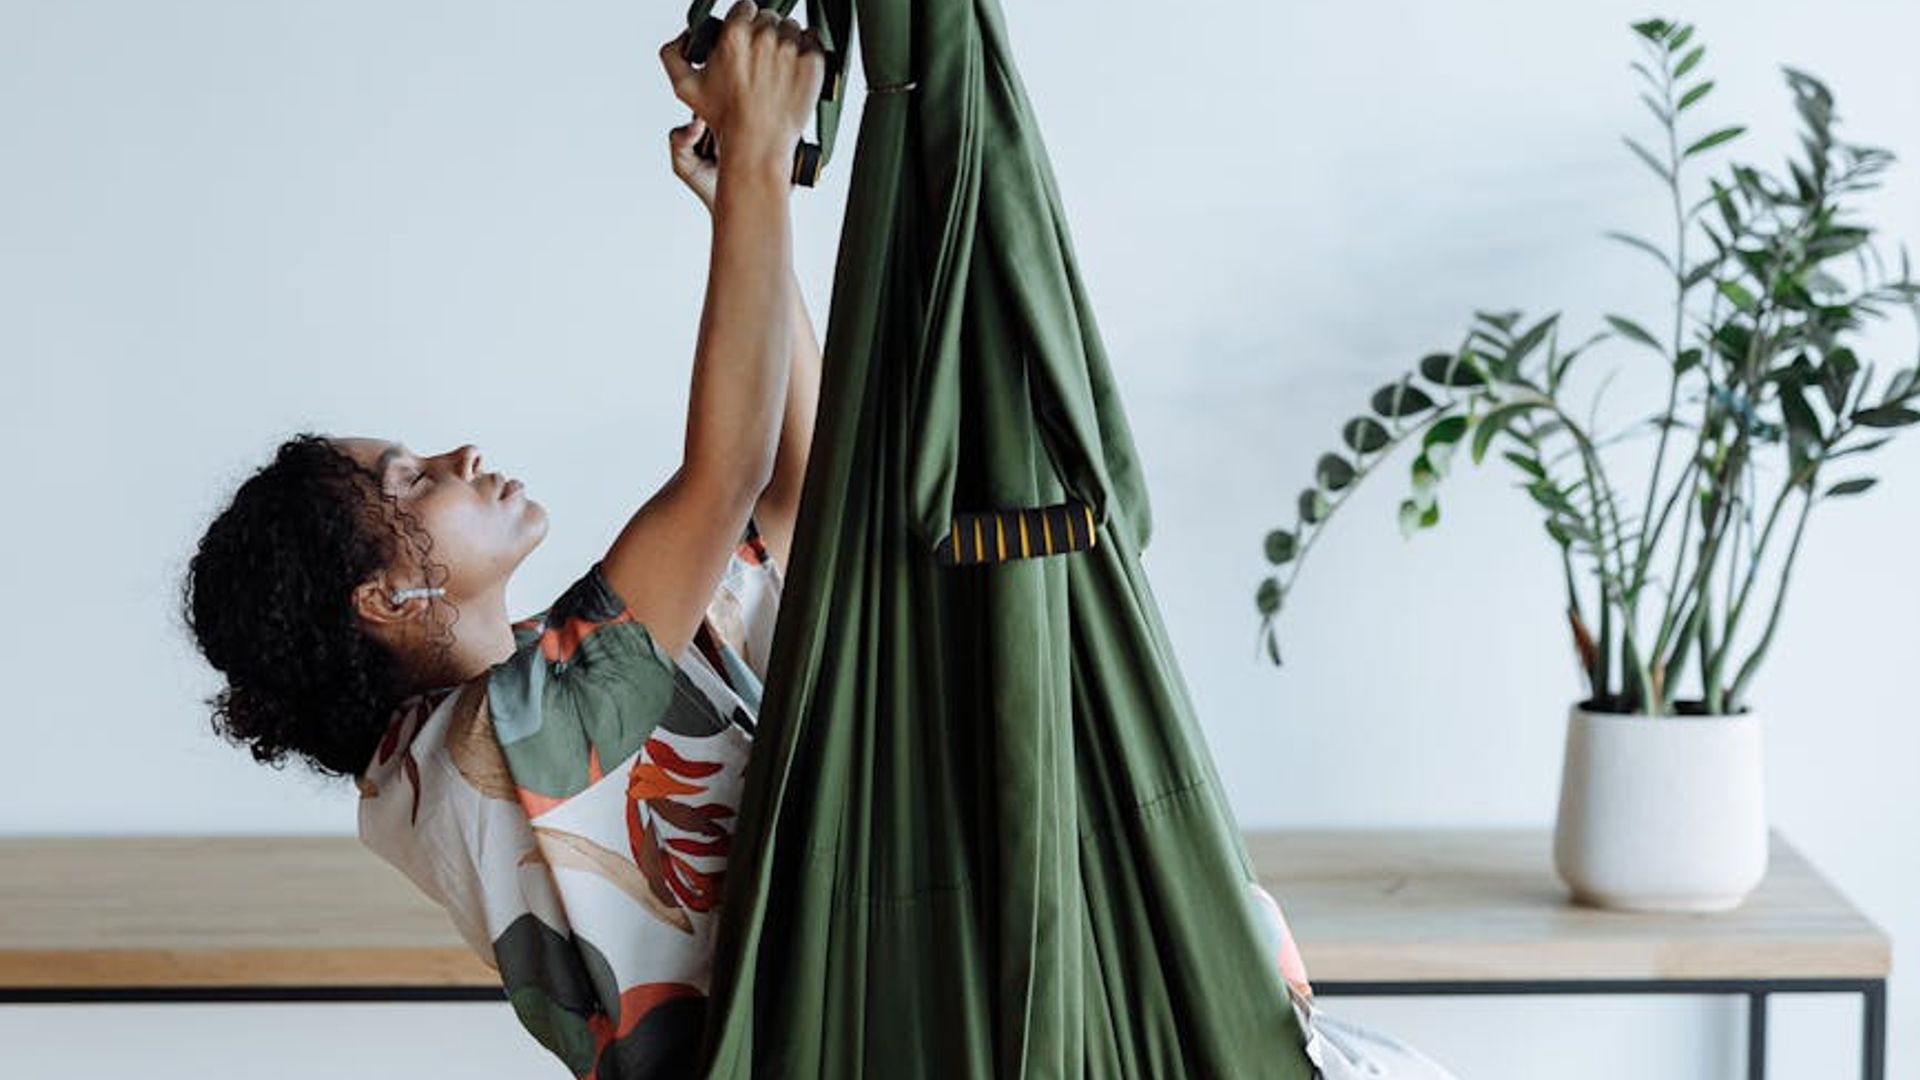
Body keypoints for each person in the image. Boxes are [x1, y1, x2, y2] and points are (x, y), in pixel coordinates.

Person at [180, 2, 1441, 1075]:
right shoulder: (482, 759)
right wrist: (759, 168)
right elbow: (720, 480)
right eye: (409, 477)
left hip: (864, 1003)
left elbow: (800, 496)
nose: (455, 455)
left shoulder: (565, 705)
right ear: (383, 593)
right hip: (822, 1034)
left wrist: (749, 196)